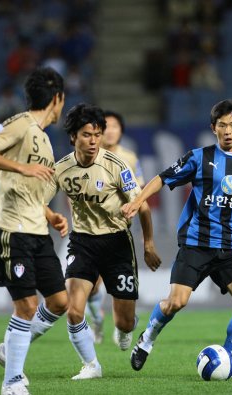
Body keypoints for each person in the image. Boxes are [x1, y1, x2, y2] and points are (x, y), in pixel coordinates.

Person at [122, 99, 232, 378]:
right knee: (176, 302)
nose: (228, 130)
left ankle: (228, 360)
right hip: (196, 243)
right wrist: (136, 200)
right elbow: (161, 179)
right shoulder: (199, 157)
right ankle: (148, 338)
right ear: (213, 128)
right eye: (222, 125)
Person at [44, 103, 161, 379]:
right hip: (82, 242)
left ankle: (126, 326)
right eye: (87, 134)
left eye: (97, 134)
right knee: (73, 310)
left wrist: (148, 244)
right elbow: (37, 201)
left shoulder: (117, 165)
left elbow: (142, 206)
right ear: (73, 136)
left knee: (123, 322)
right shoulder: (61, 169)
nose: (94, 140)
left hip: (117, 242)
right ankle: (91, 365)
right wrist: (50, 215)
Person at [0, 67, 68, 395]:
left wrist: (51, 213)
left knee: (59, 301)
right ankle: (11, 381)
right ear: (57, 99)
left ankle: (6, 349)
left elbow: (27, 189)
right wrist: (20, 166)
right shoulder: (21, 124)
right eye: (61, 101)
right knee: (26, 306)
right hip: (12, 230)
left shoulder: (42, 138)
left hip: (38, 231)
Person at [84, 109, 147, 344]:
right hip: (89, 231)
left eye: (115, 127)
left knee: (118, 287)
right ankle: (97, 321)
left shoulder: (129, 158)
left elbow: (140, 197)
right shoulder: (88, 155)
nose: (110, 131)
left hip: (119, 232)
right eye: (106, 127)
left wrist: (144, 235)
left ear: (121, 131)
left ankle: (125, 323)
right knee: (90, 285)